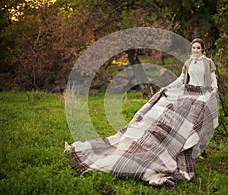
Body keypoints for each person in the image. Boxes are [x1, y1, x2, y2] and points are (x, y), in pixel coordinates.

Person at [64, 38, 219, 187]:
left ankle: (197, 147)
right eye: (193, 48)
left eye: (198, 48)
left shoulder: (208, 62)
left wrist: (214, 89)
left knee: (197, 119)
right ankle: (170, 145)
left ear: (203, 49)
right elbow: (181, 79)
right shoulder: (188, 63)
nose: (196, 50)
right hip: (187, 91)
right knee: (171, 115)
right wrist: (167, 87)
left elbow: (213, 78)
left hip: (202, 93)